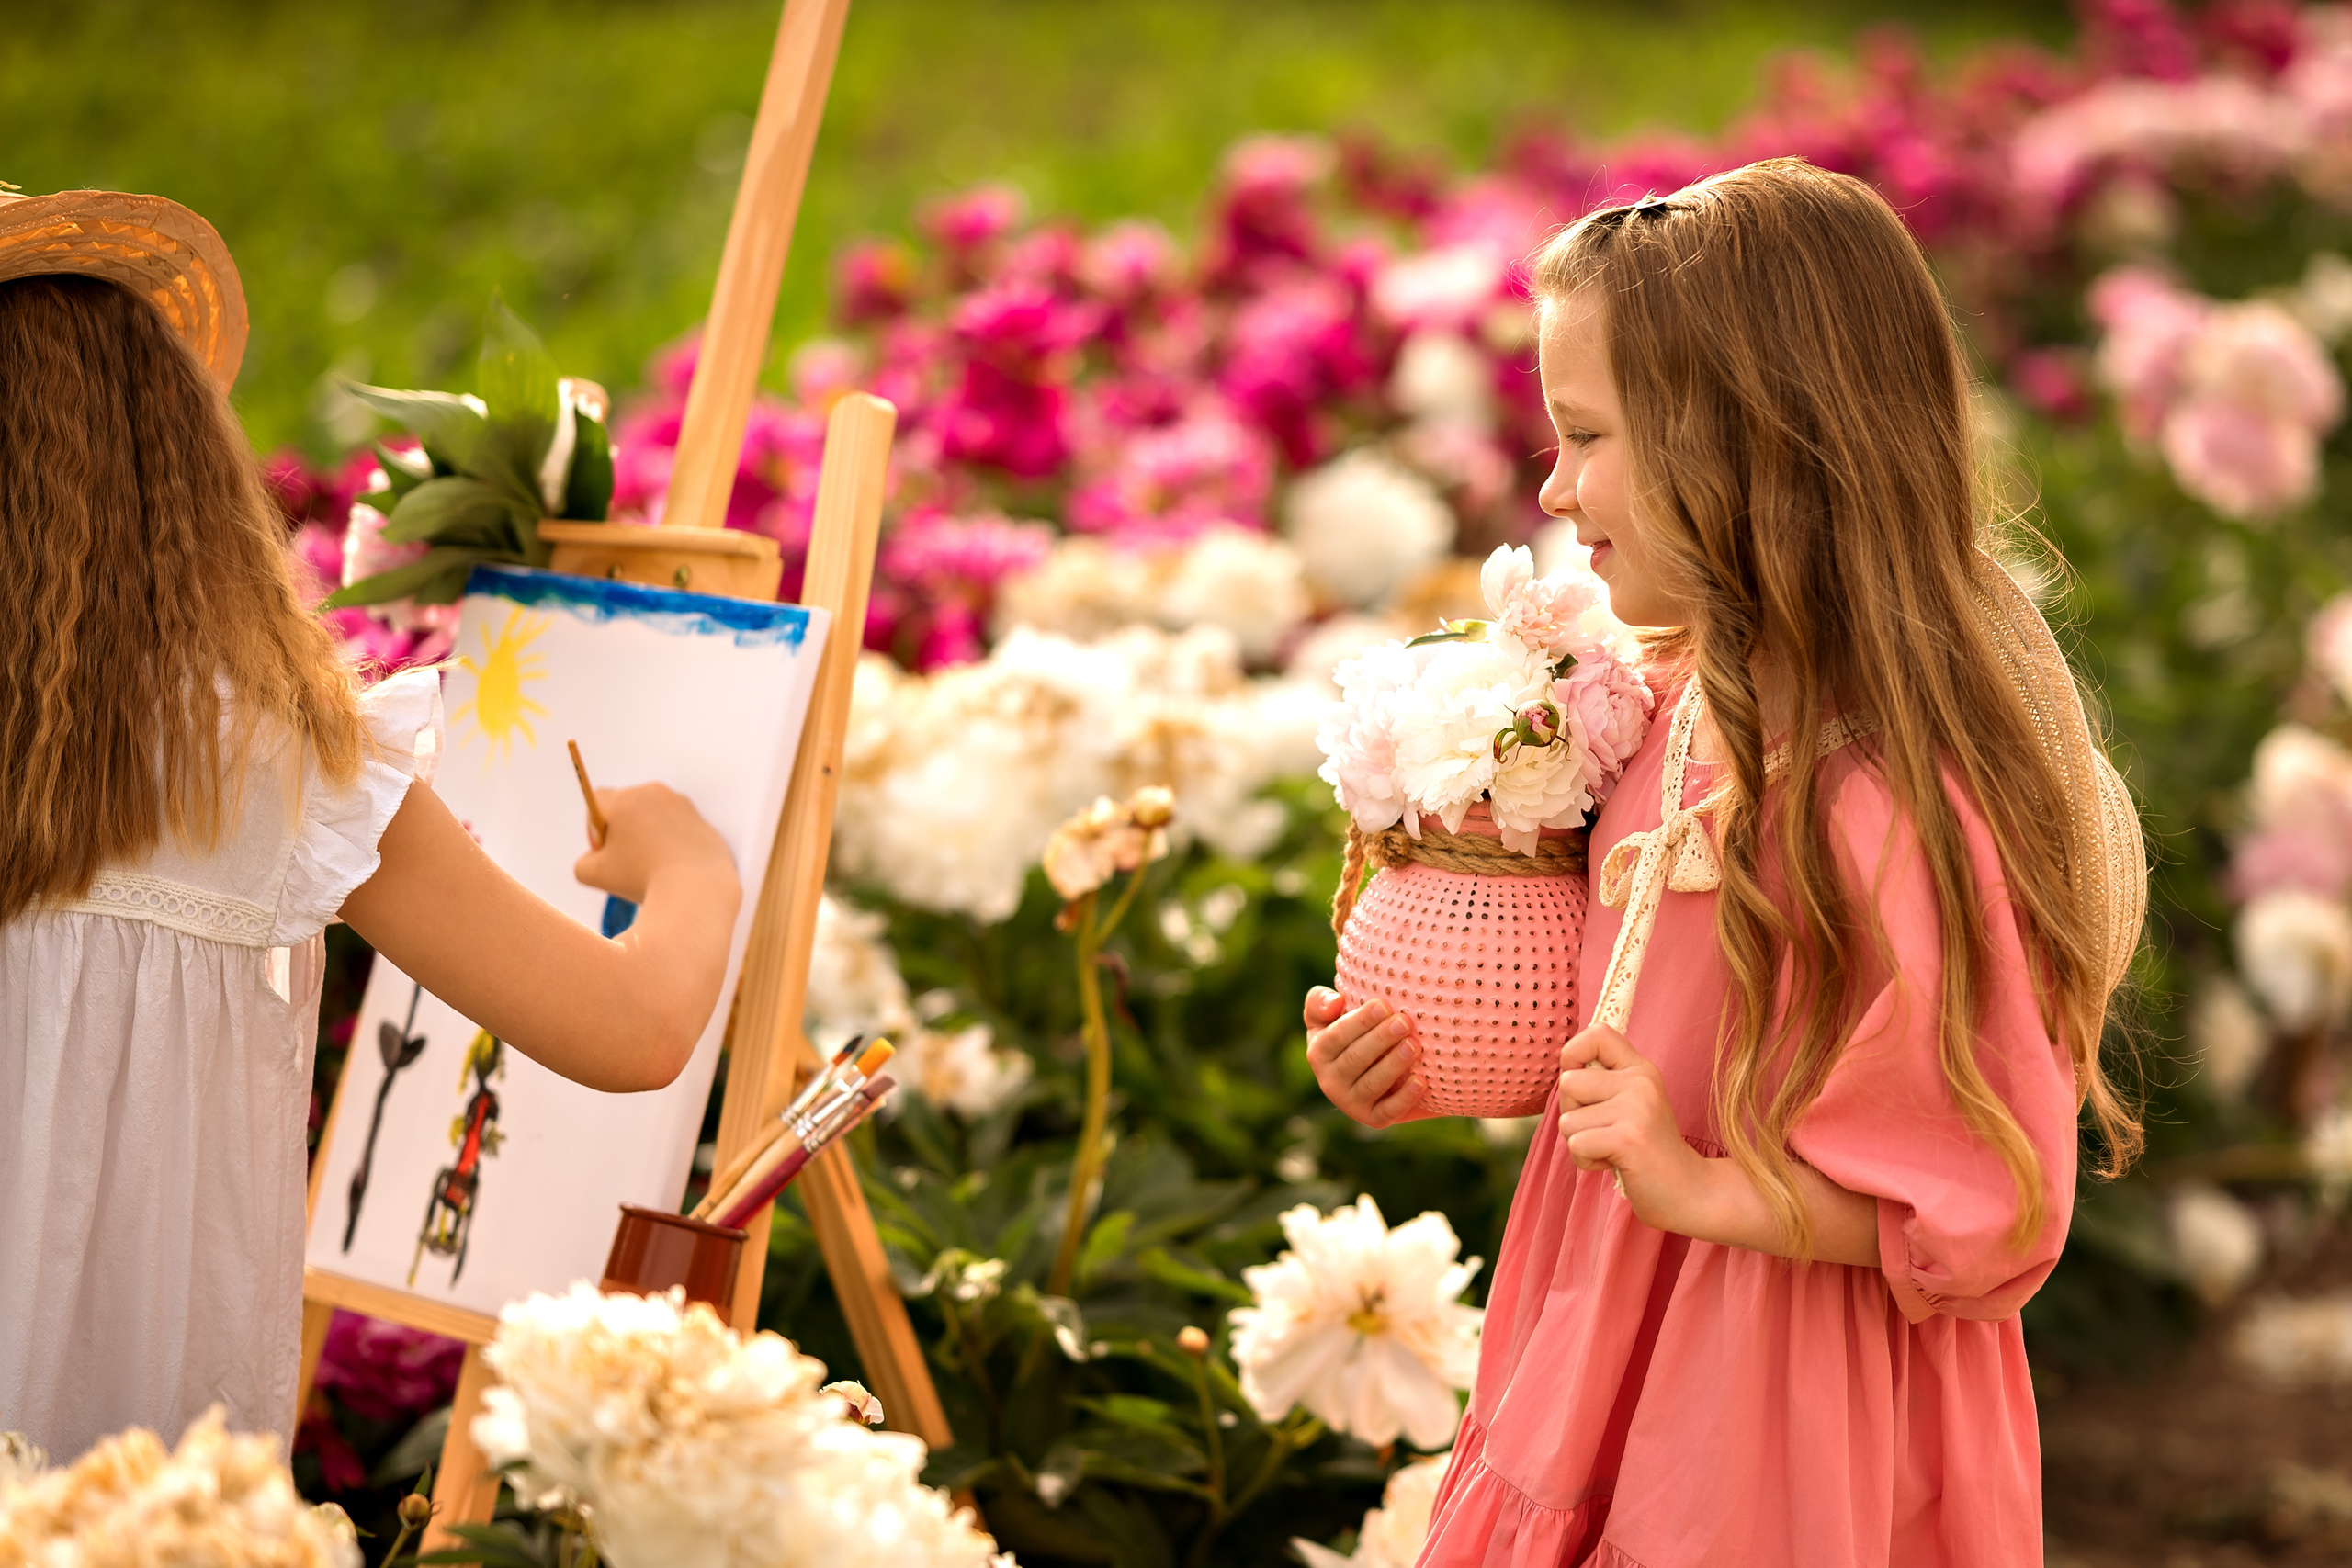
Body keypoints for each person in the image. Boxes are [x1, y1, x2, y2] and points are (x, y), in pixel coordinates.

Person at [1302, 160, 2146, 1568]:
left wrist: (1704, 1192)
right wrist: (1433, 1060)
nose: (1555, 487)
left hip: (1789, 1396)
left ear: (1751, 444)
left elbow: (1992, 1201)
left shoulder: (1891, 801)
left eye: (1586, 435)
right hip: (1607, 1330)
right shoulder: (1663, 704)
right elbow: (1639, 1023)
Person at [0, 189, 743, 1462]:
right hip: (121, 1486)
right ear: (176, 468)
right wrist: (691, 867)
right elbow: (633, 1029)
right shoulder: (266, 763)